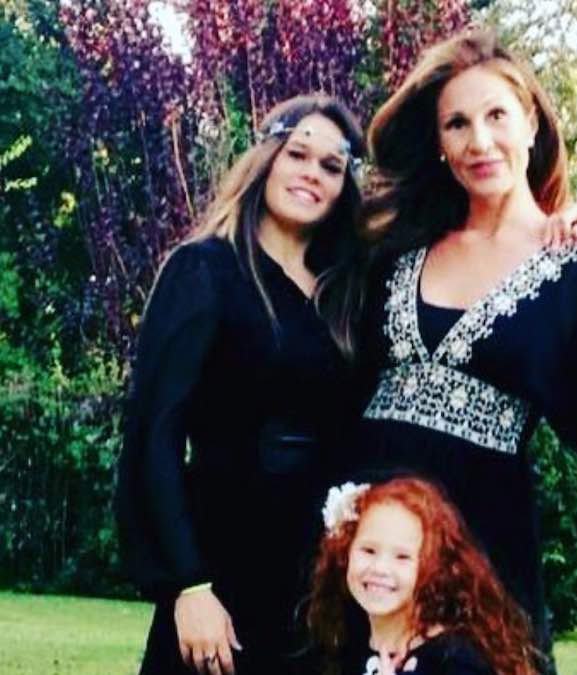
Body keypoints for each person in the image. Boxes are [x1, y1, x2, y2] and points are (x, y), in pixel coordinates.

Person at [326, 28, 577, 654]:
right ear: (439, 143)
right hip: (371, 557)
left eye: (496, 115)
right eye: (457, 124)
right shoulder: (396, 249)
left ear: (530, 124)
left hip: (481, 552)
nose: (480, 141)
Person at [116, 94, 367, 675]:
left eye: (331, 165)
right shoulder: (204, 270)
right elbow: (155, 434)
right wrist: (187, 585)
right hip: (222, 568)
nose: (312, 173)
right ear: (267, 159)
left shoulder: (347, 293)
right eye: (297, 154)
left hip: (321, 578)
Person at [307, 476, 540, 675]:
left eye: (402, 557)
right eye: (368, 550)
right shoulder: (344, 647)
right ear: (345, 552)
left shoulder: (455, 661)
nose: (380, 568)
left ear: (434, 568)